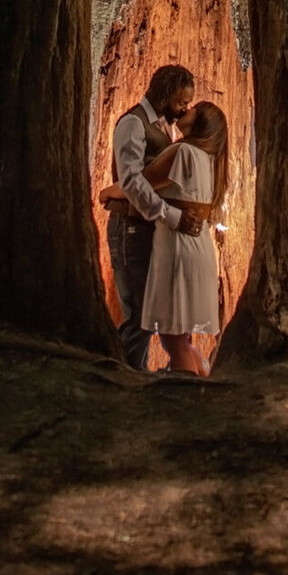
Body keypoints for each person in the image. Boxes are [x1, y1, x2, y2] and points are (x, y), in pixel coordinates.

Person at [105, 65, 201, 372]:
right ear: (163, 95)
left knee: (152, 312)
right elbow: (132, 181)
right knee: (140, 313)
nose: (184, 109)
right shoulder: (133, 124)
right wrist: (171, 215)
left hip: (149, 229)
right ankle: (128, 376)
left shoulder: (164, 127)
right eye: (181, 102)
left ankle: (138, 375)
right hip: (130, 229)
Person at [139, 100, 228, 377]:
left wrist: (109, 192)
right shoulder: (211, 159)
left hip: (179, 250)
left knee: (173, 338)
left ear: (200, 122)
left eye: (192, 109)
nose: (184, 110)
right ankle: (201, 375)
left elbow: (140, 183)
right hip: (199, 250)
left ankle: (187, 394)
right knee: (181, 337)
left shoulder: (183, 152)